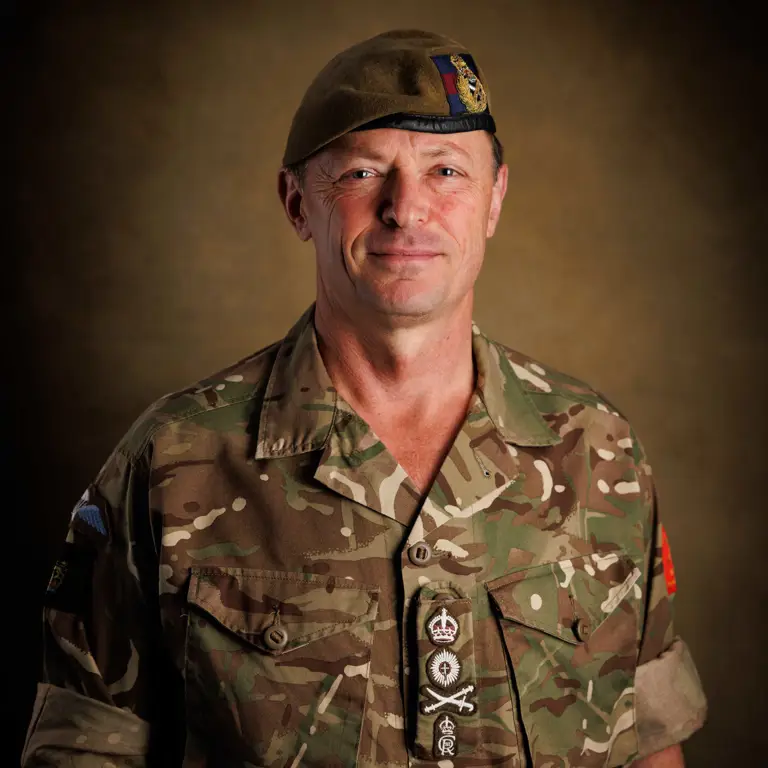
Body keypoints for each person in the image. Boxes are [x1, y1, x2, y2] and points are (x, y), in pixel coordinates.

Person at [22, 29, 706, 768]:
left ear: (495, 201)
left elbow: (645, 741)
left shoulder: (598, 451)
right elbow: (87, 747)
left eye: (446, 170)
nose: (406, 209)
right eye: (360, 174)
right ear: (296, 203)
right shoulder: (174, 461)